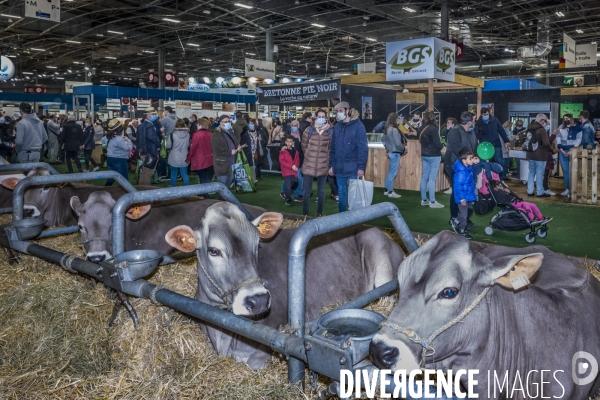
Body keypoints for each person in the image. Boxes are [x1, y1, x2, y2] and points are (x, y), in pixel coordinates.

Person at [329, 101, 368, 213]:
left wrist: (361, 167)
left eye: (341, 111)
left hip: (353, 168)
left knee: (353, 196)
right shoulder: (337, 127)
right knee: (341, 194)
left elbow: (363, 148)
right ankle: (342, 218)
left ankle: (353, 219)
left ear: (348, 111)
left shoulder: (358, 126)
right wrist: (331, 165)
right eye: (337, 111)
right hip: (339, 167)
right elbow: (333, 148)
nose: (339, 113)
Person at [445, 111, 477, 232]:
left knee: (466, 189)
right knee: (457, 191)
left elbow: (474, 147)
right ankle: (454, 217)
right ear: (469, 122)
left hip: (466, 165)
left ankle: (464, 218)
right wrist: (468, 159)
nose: (475, 122)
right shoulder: (455, 131)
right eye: (474, 120)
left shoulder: (471, 132)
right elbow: (455, 148)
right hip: (453, 165)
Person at [301, 109, 333, 217]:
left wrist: (326, 160)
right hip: (308, 165)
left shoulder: (330, 132)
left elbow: (331, 149)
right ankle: (304, 214)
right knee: (306, 192)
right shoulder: (308, 130)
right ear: (315, 117)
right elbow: (304, 146)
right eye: (319, 116)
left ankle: (319, 213)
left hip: (323, 166)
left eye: (323, 116)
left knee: (321, 192)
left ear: (326, 118)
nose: (321, 118)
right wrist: (309, 157)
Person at [419, 110, 444, 208]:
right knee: (432, 178)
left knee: (424, 177)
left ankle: (424, 199)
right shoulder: (433, 129)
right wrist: (442, 146)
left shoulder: (420, 128)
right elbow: (438, 145)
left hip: (424, 155)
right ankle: (432, 201)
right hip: (434, 155)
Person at [475, 107, 510, 173]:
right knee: (484, 163)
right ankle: (487, 177)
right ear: (481, 114)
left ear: (489, 113)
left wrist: (506, 140)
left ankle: (500, 179)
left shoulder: (495, 120)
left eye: (486, 114)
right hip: (485, 146)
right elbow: (476, 134)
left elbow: (501, 130)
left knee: (500, 162)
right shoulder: (479, 123)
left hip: (496, 144)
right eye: (484, 114)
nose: (485, 116)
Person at [212, 114, 242, 191]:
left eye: (228, 121)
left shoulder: (231, 132)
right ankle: (221, 202)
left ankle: (226, 201)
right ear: (220, 123)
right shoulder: (216, 134)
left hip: (231, 163)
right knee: (222, 187)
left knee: (228, 186)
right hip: (222, 164)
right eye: (225, 121)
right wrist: (229, 152)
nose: (227, 123)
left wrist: (237, 147)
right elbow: (216, 149)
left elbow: (235, 142)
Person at [525, 113, 551, 198]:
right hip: (540, 155)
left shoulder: (529, 128)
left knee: (531, 173)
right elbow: (546, 143)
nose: (545, 123)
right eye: (545, 121)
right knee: (540, 174)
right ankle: (540, 192)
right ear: (542, 120)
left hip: (530, 154)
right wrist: (552, 149)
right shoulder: (541, 129)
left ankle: (530, 191)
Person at [555, 114, 581, 197]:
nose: (566, 120)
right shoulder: (560, 127)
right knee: (566, 171)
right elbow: (558, 140)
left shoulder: (578, 128)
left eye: (567, 118)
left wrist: (571, 151)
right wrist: (562, 151)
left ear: (571, 119)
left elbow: (578, 140)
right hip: (562, 151)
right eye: (564, 119)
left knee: (573, 171)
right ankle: (567, 189)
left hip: (573, 151)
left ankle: (573, 190)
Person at [453, 148, 477, 240]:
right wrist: (462, 199)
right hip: (462, 197)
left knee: (469, 211)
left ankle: (455, 220)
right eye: (470, 159)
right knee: (464, 215)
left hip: (468, 195)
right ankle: (463, 230)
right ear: (464, 160)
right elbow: (458, 187)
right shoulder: (461, 173)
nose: (472, 160)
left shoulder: (468, 168)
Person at [187, 118, 214, 197]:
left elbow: (193, 148)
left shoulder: (196, 135)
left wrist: (188, 158)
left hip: (200, 160)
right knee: (207, 178)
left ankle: (204, 194)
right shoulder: (211, 134)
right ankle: (205, 193)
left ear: (200, 125)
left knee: (202, 178)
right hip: (210, 159)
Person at [102, 119, 132, 186]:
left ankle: (106, 189)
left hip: (110, 158)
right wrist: (128, 140)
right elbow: (129, 148)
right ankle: (126, 193)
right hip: (120, 159)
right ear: (119, 128)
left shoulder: (107, 137)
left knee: (111, 177)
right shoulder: (119, 139)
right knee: (124, 178)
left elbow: (102, 141)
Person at [381, 112, 403, 199]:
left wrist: (387, 147)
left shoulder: (387, 129)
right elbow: (398, 143)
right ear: (395, 119)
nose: (398, 120)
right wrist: (403, 149)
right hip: (395, 152)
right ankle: (390, 191)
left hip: (390, 152)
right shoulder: (394, 129)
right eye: (397, 119)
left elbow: (383, 140)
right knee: (393, 172)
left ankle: (387, 190)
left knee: (390, 171)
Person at [280, 119, 304, 201]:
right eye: (292, 125)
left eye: (295, 125)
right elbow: (282, 142)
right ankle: (288, 193)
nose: (294, 127)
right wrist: (283, 146)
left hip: (297, 159)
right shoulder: (287, 133)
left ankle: (295, 194)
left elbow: (303, 146)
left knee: (297, 178)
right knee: (289, 179)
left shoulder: (301, 133)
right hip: (289, 162)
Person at [137, 107, 161, 185]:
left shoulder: (142, 125)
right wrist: (158, 144)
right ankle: (145, 192)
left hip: (144, 151)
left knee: (144, 172)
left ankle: (141, 189)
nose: (155, 115)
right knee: (148, 173)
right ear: (148, 115)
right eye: (153, 114)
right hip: (150, 151)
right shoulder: (150, 125)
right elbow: (152, 137)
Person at [241, 118, 267, 184]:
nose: (250, 125)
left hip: (256, 153)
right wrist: (244, 146)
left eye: (252, 124)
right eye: (249, 124)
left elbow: (264, 142)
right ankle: (252, 180)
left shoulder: (258, 133)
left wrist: (261, 140)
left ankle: (253, 180)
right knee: (251, 167)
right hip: (249, 153)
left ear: (255, 125)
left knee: (254, 167)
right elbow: (242, 143)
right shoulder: (246, 134)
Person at [166, 119, 191, 187]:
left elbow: (168, 146)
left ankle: (172, 187)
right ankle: (188, 189)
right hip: (185, 155)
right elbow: (188, 145)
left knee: (173, 173)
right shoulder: (188, 134)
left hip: (174, 155)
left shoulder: (172, 134)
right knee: (184, 174)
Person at [279, 135, 300, 206]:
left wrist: (296, 166)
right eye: (287, 141)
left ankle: (286, 194)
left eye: (290, 142)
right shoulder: (283, 151)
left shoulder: (295, 151)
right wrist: (291, 166)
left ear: (293, 142)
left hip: (294, 171)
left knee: (295, 184)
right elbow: (282, 162)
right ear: (285, 142)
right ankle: (288, 199)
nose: (289, 143)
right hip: (287, 171)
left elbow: (297, 160)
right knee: (288, 185)